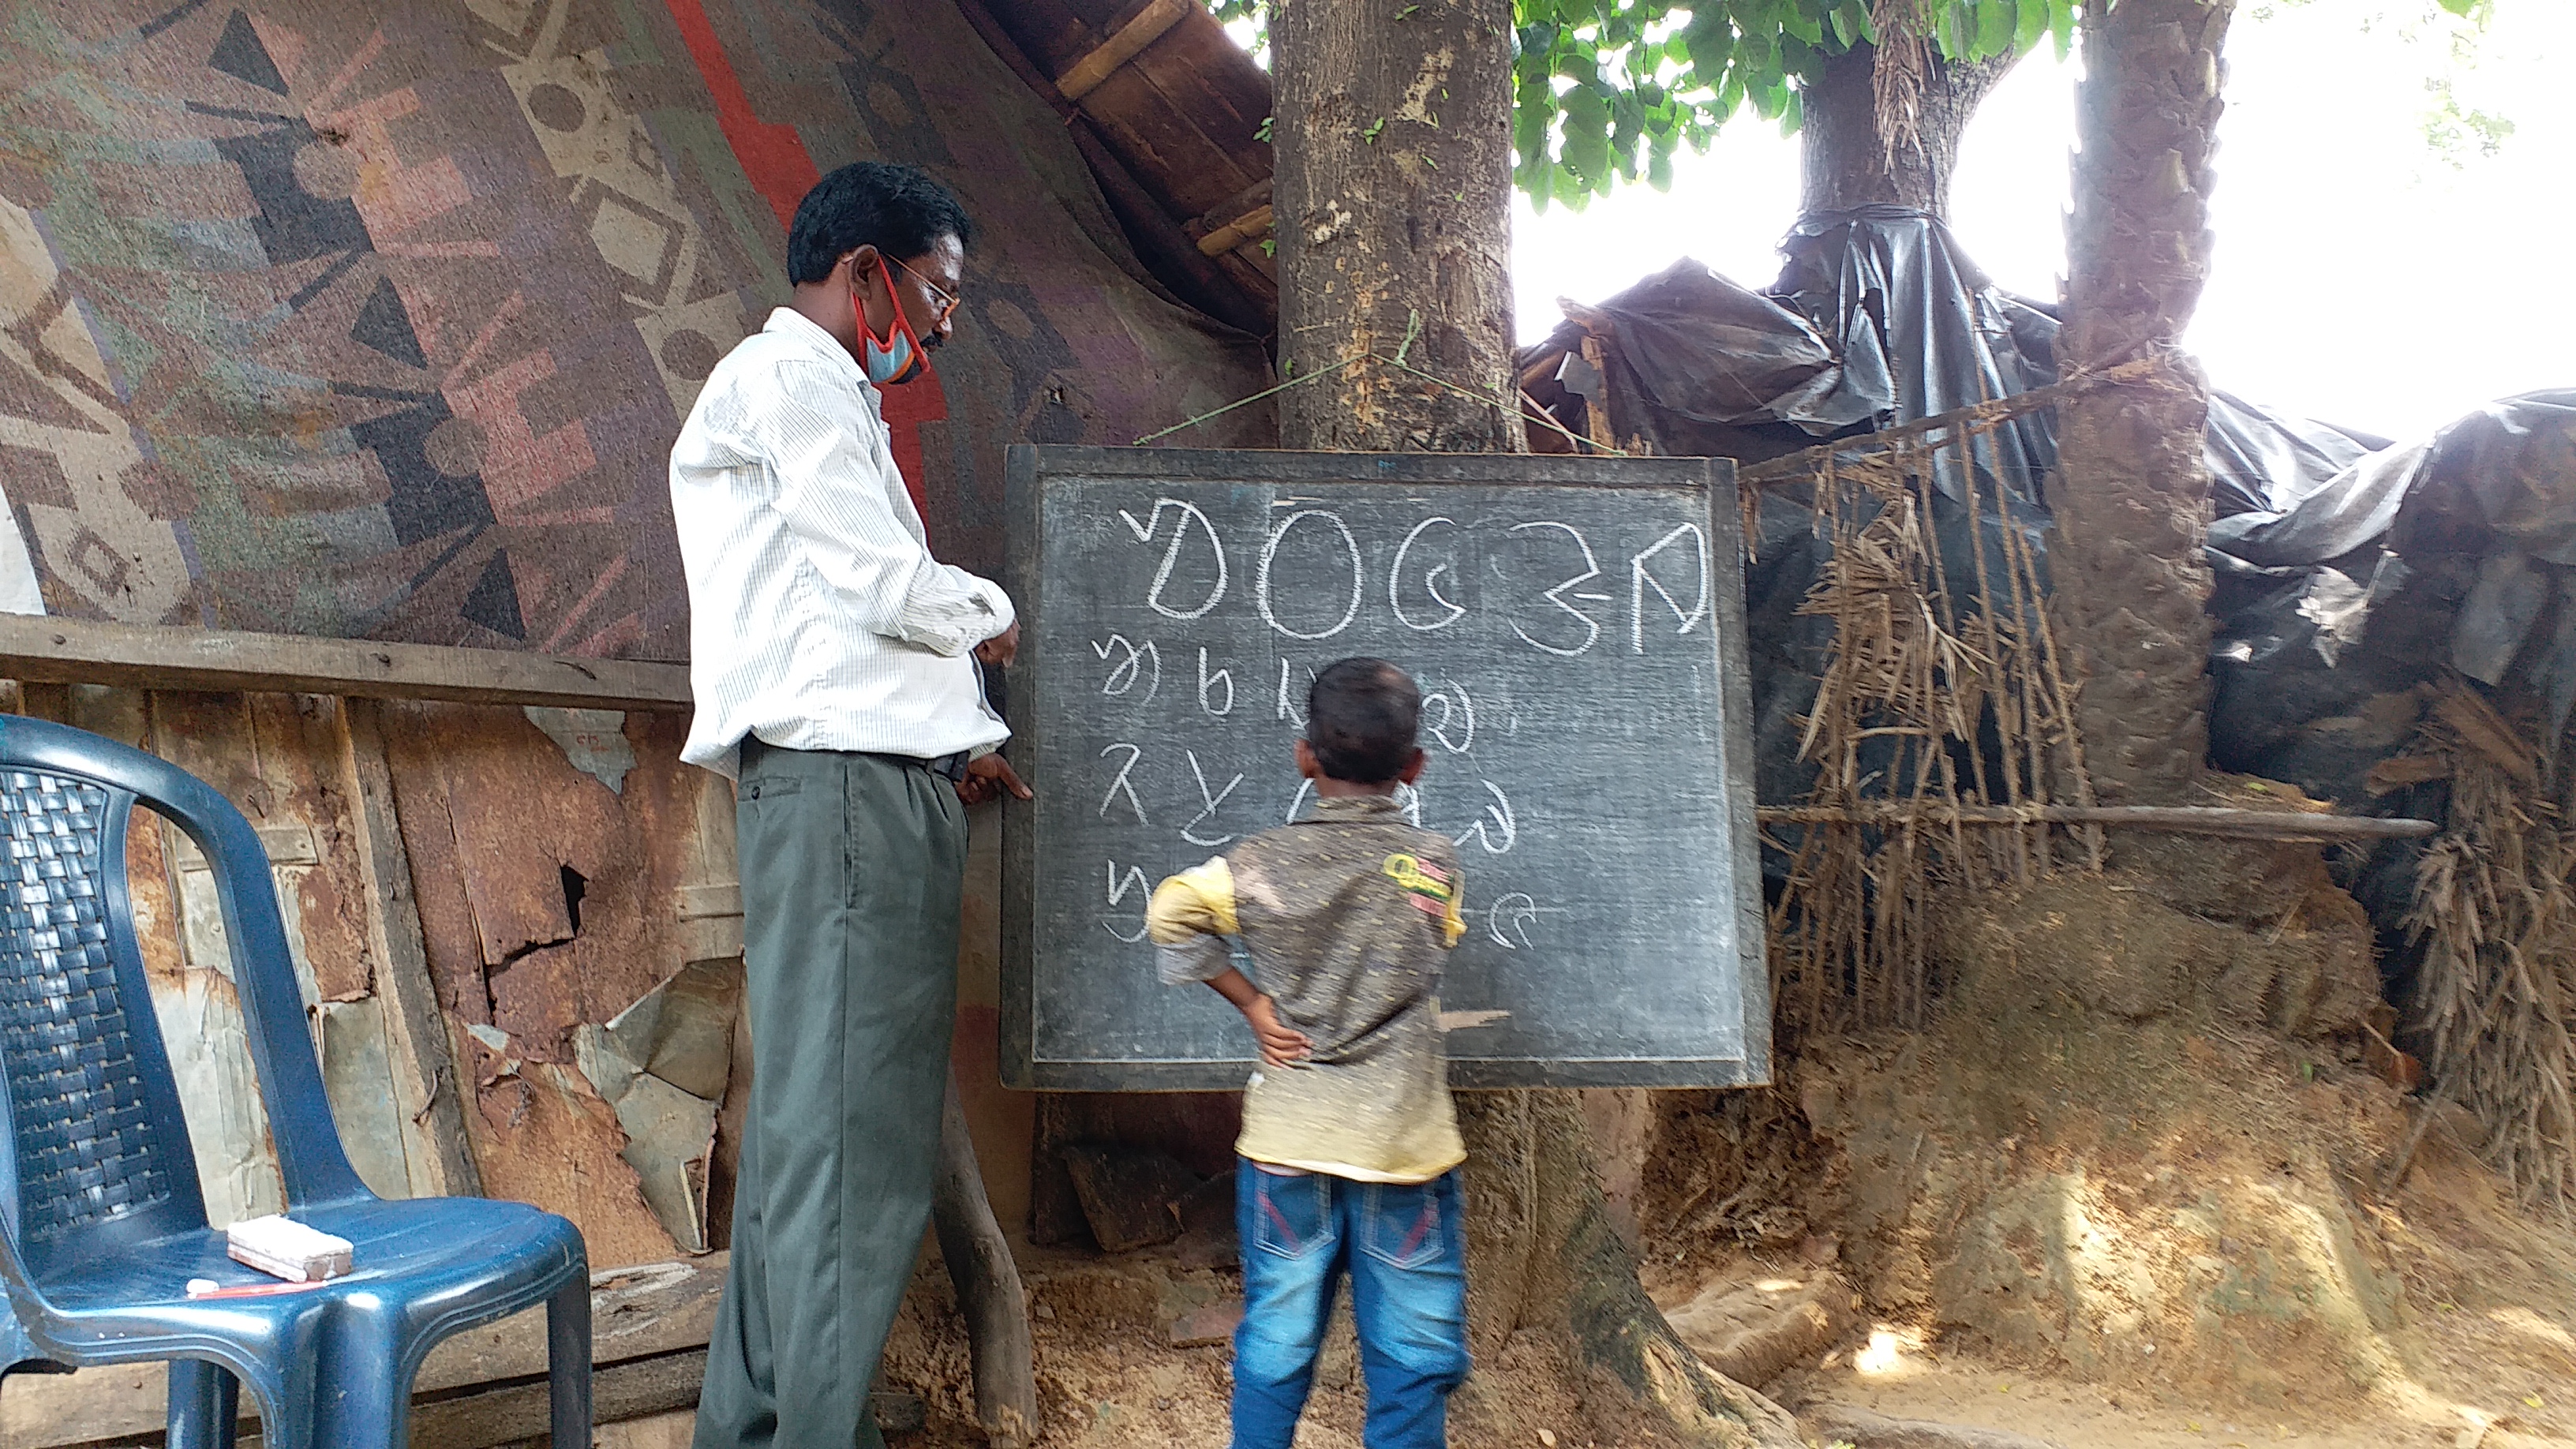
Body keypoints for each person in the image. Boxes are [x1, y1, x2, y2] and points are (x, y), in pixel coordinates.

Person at [670, 160, 1030, 1449]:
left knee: (809, 1145)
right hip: (842, 806)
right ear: (867, 270)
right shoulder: (791, 380)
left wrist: (953, 739)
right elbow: (885, 589)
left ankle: (760, 1429)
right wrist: (989, 615)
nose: (941, 323)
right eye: (934, 290)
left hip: (858, 797)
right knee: (847, 1160)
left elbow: (835, 627)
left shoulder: (820, 400)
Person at [1145, 657, 1475, 1449]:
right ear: (1414, 767)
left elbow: (1170, 913)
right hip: (1402, 1146)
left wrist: (1255, 1003)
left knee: (1280, 1337)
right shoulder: (1435, 865)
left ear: (1305, 756)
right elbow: (1438, 936)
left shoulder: (1256, 863)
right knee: (1411, 1348)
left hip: (1290, 1141)